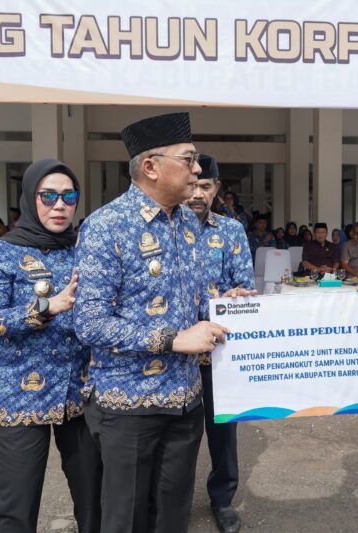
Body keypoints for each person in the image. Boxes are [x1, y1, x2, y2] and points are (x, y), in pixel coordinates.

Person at [74, 112, 237, 533]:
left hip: (184, 401)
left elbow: (193, 301)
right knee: (126, 518)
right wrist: (172, 340)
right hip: (129, 406)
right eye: (188, 159)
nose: (197, 170)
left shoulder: (187, 223)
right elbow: (89, 323)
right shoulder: (106, 226)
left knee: (172, 516)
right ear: (151, 167)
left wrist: (226, 306)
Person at [0, 159, 101, 533]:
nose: (60, 205)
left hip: (79, 393)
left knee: (95, 498)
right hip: (19, 396)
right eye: (49, 196)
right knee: (15, 506)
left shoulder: (84, 251)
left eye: (69, 196)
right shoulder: (2, 252)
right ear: (31, 198)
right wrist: (46, 307)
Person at [186, 154, 255, 533]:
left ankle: (222, 498)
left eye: (206, 186)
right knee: (178, 433)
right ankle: (174, 499)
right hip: (175, 353)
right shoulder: (163, 229)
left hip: (220, 350)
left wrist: (239, 294)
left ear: (216, 189)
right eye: (193, 185)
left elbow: (245, 285)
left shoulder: (230, 231)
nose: (198, 194)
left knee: (223, 430)